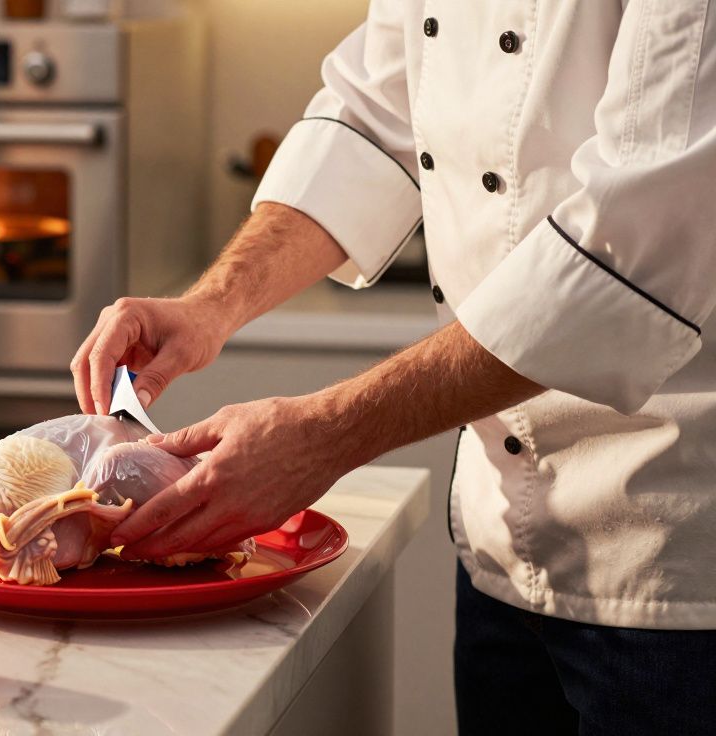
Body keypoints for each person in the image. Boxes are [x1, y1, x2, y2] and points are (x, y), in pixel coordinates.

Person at [71, 2, 716, 733]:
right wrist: (210, 306)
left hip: (678, 563)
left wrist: (323, 435)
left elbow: (631, 256)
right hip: (502, 544)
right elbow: (372, 121)